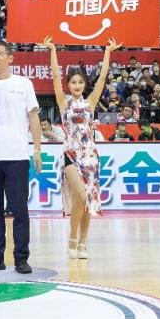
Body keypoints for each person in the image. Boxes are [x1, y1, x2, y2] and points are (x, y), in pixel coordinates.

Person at [44, 35, 119, 259]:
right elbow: (55, 76)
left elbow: (103, 77)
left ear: (85, 85)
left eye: (80, 82)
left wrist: (108, 52)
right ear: (68, 85)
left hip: (90, 156)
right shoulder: (63, 102)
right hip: (70, 154)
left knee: (87, 201)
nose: (76, 86)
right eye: (73, 83)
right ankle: (72, 237)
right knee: (81, 194)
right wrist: (53, 50)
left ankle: (83, 243)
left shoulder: (91, 102)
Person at [0, 39, 43, 274]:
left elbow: (33, 117)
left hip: (17, 156)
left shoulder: (23, 83)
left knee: (20, 210)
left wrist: (37, 149)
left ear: (10, 58)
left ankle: (21, 257)